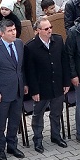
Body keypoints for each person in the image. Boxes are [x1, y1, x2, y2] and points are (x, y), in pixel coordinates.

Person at [23, 18, 72, 148]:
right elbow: (30, 71)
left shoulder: (58, 40)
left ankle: (56, 136)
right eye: (46, 29)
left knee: (56, 112)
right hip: (41, 87)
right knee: (38, 115)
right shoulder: (30, 47)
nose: (50, 30)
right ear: (38, 31)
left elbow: (64, 62)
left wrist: (66, 81)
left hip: (57, 84)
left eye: (50, 27)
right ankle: (37, 139)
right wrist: (34, 91)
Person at [0, 17, 28, 160]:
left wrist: (25, 84)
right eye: (10, 31)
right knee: (0, 123)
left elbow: (21, 68)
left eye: (14, 30)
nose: (13, 33)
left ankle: (12, 146)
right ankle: (0, 149)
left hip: (18, 90)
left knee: (15, 120)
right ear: (2, 33)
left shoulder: (19, 44)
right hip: (2, 94)